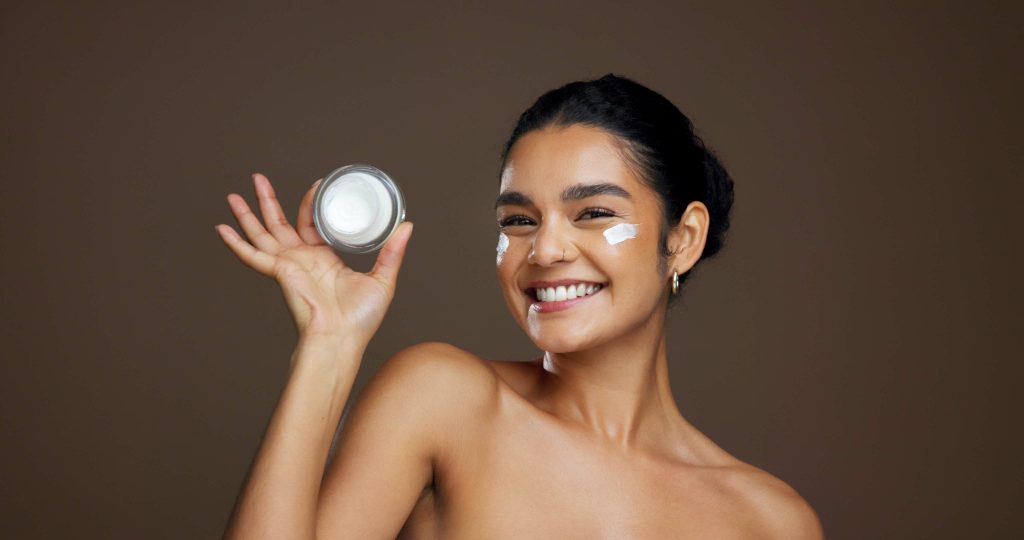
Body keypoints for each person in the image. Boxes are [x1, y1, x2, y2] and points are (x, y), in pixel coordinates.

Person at [216, 74, 824, 539]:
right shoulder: (444, 400)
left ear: (682, 239)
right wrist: (329, 343)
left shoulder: (770, 520)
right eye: (519, 220)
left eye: (594, 213)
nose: (546, 249)